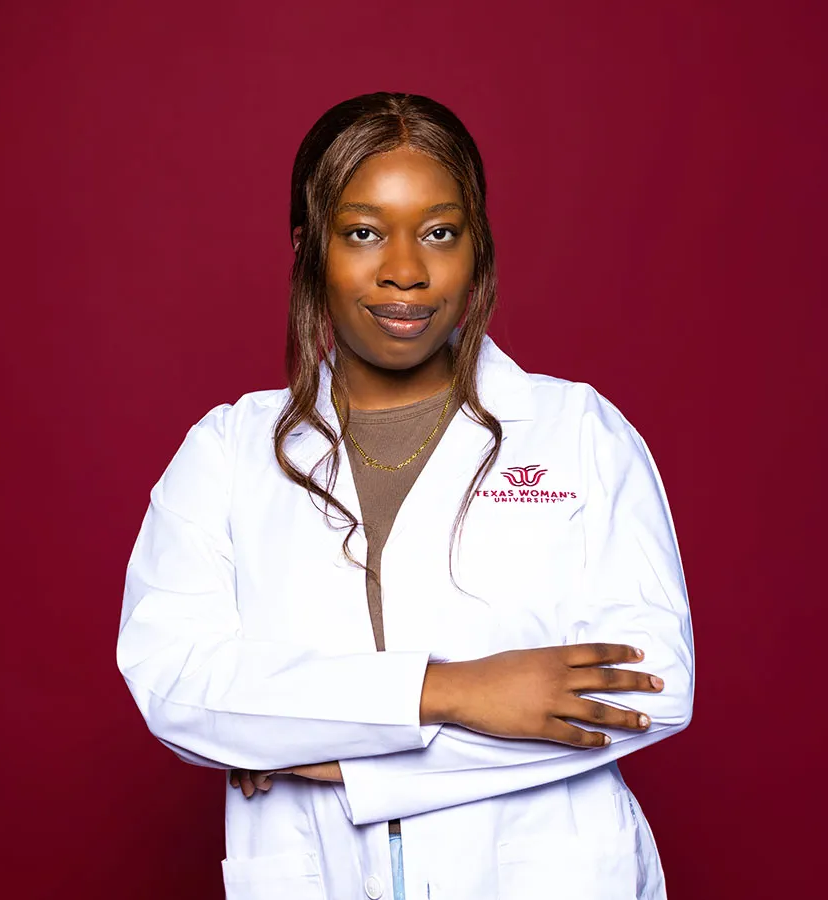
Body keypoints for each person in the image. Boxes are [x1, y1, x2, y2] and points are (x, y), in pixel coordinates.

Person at [115, 92, 695, 900]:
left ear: (476, 247)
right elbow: (177, 683)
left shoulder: (577, 431)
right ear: (306, 246)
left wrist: (332, 754)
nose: (405, 271)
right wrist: (451, 692)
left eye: (439, 232)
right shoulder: (227, 453)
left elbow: (650, 687)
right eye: (362, 232)